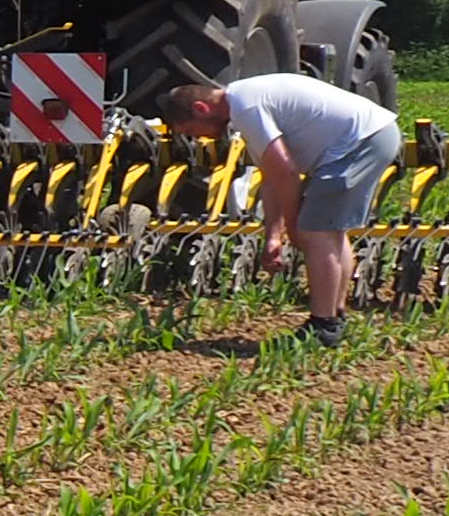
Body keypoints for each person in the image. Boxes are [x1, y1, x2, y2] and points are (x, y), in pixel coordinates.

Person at [161, 70, 402, 346]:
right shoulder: (245, 100)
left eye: (193, 131)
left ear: (201, 109)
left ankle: (323, 326)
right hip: (370, 137)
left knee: (317, 233)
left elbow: (287, 173)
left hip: (360, 143)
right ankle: (334, 315)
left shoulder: (247, 107)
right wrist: (274, 235)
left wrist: (293, 226)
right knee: (329, 232)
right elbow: (273, 176)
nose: (202, 139)